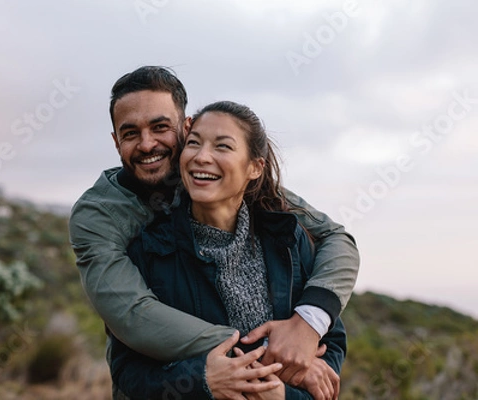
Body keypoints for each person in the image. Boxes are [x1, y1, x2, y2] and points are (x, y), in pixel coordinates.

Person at [68, 66, 359, 393]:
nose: (147, 144)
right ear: (115, 140)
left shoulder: (260, 212)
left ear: (186, 126)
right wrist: (273, 356)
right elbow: (133, 319)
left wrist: (307, 325)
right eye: (130, 133)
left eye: (160, 127)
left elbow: (335, 238)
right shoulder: (100, 217)